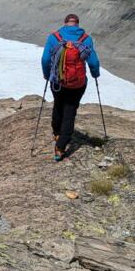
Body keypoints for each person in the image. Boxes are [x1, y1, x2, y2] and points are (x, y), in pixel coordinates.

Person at [41, 14, 100, 161]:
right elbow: (93, 62)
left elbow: (46, 59)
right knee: (70, 111)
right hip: (77, 83)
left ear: (65, 23)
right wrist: (95, 74)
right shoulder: (85, 39)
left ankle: (56, 132)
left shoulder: (54, 37)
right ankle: (60, 147)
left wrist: (47, 75)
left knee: (58, 105)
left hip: (57, 81)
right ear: (77, 24)